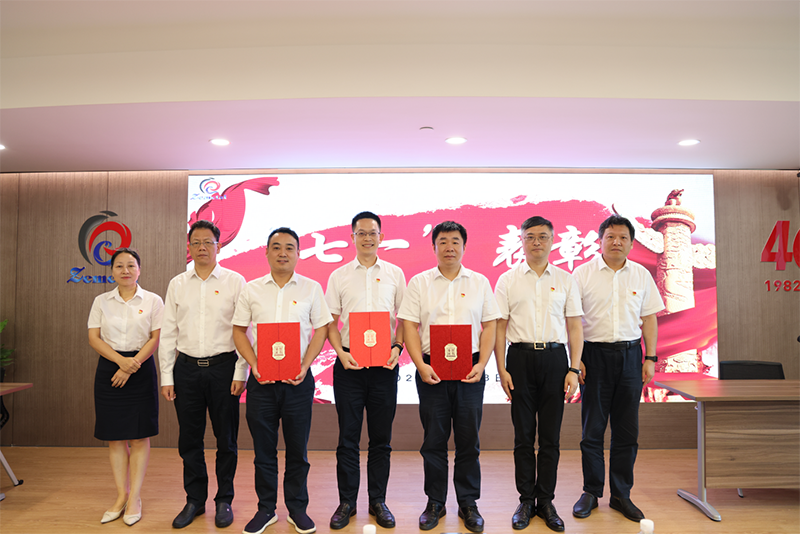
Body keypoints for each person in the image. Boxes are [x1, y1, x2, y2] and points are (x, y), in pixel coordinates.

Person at [398, 220, 499, 534]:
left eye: (455, 241)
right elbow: (408, 326)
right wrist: (419, 364)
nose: (449, 247)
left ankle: (468, 503)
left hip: (470, 369)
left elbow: (490, 325)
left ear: (464, 247)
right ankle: (435, 502)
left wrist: (482, 364)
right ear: (434, 247)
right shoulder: (420, 283)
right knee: (434, 440)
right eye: (443, 241)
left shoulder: (480, 282)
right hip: (432, 370)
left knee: (469, 440)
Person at [233, 227, 332, 534]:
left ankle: (297, 509)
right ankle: (266, 509)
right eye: (276, 247)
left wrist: (305, 364)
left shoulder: (311, 288)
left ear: (299, 254)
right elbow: (239, 330)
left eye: (289, 248)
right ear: (266, 252)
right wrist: (254, 364)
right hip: (261, 383)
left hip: (298, 382)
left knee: (297, 450)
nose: (283, 253)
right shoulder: (252, 289)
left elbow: (322, 329)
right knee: (263, 451)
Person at [571, 214, 664, 522]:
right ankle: (591, 492)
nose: (616, 242)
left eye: (623, 237)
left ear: (631, 243)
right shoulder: (582, 274)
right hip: (593, 357)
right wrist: (576, 358)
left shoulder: (641, 275)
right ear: (600, 240)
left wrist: (650, 358)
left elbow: (649, 319)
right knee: (592, 430)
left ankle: (621, 495)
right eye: (610, 236)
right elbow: (571, 320)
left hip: (630, 357)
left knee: (626, 430)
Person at [494, 216, 584, 532]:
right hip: (518, 359)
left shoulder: (566, 279)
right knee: (522, 436)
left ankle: (545, 500)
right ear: (521, 240)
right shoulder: (507, 280)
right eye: (530, 236)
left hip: (555, 360)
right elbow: (499, 327)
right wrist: (501, 369)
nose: (536, 242)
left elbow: (575, 327)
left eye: (543, 236)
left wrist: (573, 368)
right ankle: (525, 500)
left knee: (550, 437)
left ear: (552, 240)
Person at [159, 220, 248, 529]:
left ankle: (224, 500)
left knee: (227, 439)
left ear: (218, 246)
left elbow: (244, 330)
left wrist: (241, 370)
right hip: (186, 370)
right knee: (189, 439)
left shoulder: (236, 281)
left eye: (208, 242)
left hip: (224, 368)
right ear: (189, 247)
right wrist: (167, 376)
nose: (201, 247)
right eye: (196, 242)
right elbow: (168, 332)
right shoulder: (177, 284)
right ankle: (195, 500)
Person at [325, 211, 406, 530]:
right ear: (353, 237)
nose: (368, 238)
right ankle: (346, 502)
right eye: (362, 233)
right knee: (347, 437)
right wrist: (340, 354)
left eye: (373, 233)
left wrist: (397, 348)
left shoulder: (395, 273)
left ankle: (378, 501)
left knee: (381, 439)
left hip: (384, 366)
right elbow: (330, 323)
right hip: (349, 365)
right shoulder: (339, 276)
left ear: (381, 237)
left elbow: (405, 319)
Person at [88, 248, 163, 527]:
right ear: (112, 272)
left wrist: (132, 364)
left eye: (131, 265)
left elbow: (155, 338)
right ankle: (121, 496)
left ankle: (135, 498)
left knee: (139, 436)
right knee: (115, 437)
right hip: (110, 369)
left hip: (141, 369)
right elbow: (94, 338)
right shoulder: (101, 301)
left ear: (139, 270)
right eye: (119, 266)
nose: (125, 270)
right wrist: (121, 362)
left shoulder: (153, 300)